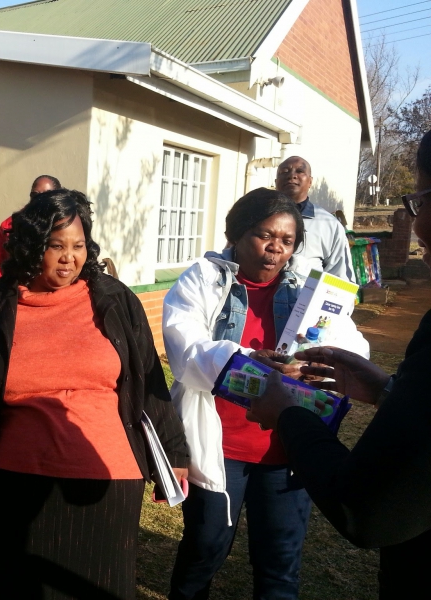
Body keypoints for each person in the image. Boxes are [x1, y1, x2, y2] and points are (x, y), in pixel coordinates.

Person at [0, 189, 189, 599]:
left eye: (79, 246)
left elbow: (148, 378)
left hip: (106, 482)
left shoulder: (115, 299)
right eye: (56, 246)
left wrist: (174, 453)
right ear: (31, 245)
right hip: (12, 480)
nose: (69, 258)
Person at [247, 129, 431, 599]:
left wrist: (290, 415)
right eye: (264, 235)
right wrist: (388, 391)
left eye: (419, 200)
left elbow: (367, 511)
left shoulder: (328, 226)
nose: (417, 226)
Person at [162, 188, 368, 600]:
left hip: (288, 448)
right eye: (264, 235)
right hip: (222, 447)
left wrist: (318, 363)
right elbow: (185, 349)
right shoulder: (204, 279)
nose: (276, 249)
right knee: (204, 549)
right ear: (238, 233)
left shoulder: (309, 291)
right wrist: (246, 361)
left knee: (280, 564)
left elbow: (354, 349)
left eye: (287, 240)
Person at [274, 156, 355, 283]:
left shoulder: (329, 224)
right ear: (276, 181)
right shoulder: (257, 216)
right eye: (284, 171)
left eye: (300, 171)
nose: (292, 176)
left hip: (307, 294)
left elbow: (340, 278)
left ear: (310, 181)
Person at [0, 174, 61, 281]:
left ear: (57, 197)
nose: (39, 199)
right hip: (15, 287)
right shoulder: (10, 225)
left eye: (45, 195)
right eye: (35, 194)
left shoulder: (65, 225)